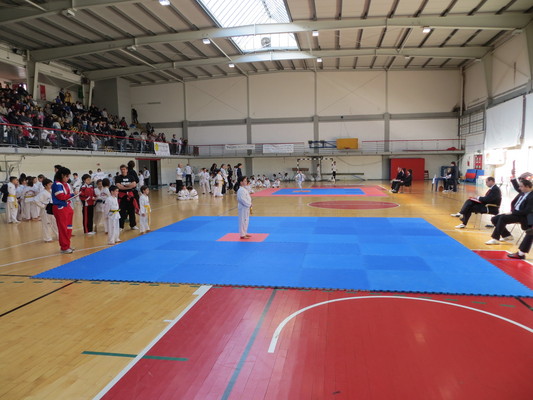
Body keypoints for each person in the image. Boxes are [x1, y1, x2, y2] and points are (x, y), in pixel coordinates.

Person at [485, 179, 533, 245]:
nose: (519, 188)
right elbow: (516, 187)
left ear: (527, 187)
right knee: (494, 219)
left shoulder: (531, 197)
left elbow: (526, 211)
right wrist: (513, 178)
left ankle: (495, 239)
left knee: (503, 218)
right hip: (515, 213)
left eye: (521, 186)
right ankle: (507, 235)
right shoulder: (523, 192)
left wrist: (513, 213)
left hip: (523, 216)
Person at [52, 166, 76, 254]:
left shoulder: (66, 184)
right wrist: (72, 195)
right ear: (62, 175)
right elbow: (61, 196)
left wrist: (73, 195)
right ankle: (64, 247)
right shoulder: (57, 184)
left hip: (67, 206)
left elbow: (68, 195)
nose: (68, 178)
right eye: (67, 176)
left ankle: (67, 245)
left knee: (69, 228)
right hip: (60, 208)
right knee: (63, 228)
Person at [115, 164, 138, 231]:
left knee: (131, 211)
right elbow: (119, 186)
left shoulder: (131, 177)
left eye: (124, 169)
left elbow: (134, 184)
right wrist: (128, 186)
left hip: (130, 196)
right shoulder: (118, 177)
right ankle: (121, 226)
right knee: (121, 211)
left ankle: (133, 225)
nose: (123, 171)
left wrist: (125, 186)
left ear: (127, 170)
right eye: (121, 169)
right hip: (122, 197)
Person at [35, 178, 58, 242]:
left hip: (52, 208)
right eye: (49, 184)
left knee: (55, 222)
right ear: (45, 185)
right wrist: (43, 206)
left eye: (51, 184)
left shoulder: (52, 191)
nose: (51, 185)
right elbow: (36, 200)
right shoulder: (42, 193)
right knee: (47, 224)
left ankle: (58, 235)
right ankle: (47, 238)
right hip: (45, 209)